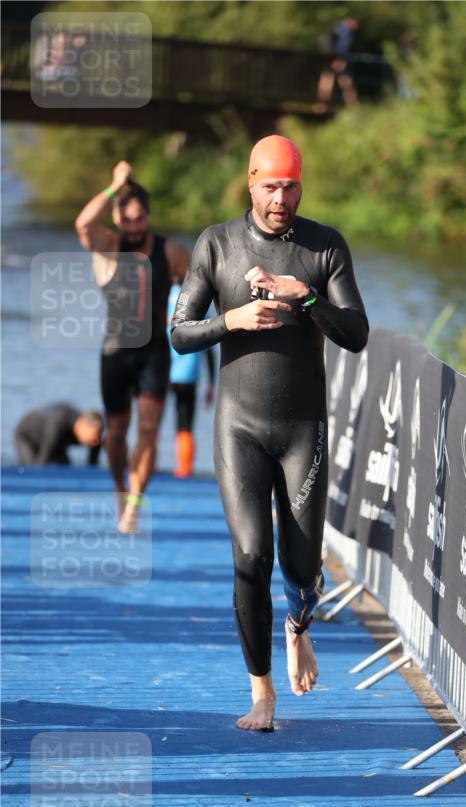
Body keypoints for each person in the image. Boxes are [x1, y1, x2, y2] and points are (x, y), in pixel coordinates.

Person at [171, 134, 368, 732]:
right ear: (250, 183)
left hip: (302, 429)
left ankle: (298, 627)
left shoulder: (324, 247)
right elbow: (179, 333)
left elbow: (356, 332)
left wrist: (303, 296)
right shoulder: (218, 243)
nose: (279, 198)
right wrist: (230, 320)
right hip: (240, 427)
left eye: (289, 187)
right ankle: (261, 694)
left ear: (300, 186)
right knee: (252, 554)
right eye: (269, 186)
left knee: (303, 567)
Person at [74, 162, 190, 531]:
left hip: (154, 352)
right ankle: (121, 488)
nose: (134, 227)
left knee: (149, 431)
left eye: (139, 219)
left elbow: (195, 290)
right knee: (118, 434)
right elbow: (82, 224)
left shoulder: (171, 252)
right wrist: (114, 186)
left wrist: (185, 322)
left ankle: (136, 502)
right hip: (115, 353)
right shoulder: (108, 247)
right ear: (116, 219)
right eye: (126, 220)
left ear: (149, 216)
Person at [166, 284, 216, 478]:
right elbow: (209, 345)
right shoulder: (200, 299)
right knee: (185, 422)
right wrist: (212, 383)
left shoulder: (164, 295)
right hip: (189, 374)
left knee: (153, 419)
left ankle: (150, 463)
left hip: (163, 370)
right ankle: (184, 468)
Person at [14, 404, 103, 466]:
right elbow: (42, 461)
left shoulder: (94, 437)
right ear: (82, 425)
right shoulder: (58, 425)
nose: (96, 441)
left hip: (56, 441)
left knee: (65, 464)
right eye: (94, 435)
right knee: (32, 466)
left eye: (99, 436)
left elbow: (92, 465)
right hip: (26, 436)